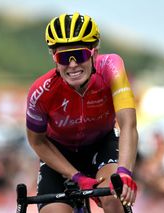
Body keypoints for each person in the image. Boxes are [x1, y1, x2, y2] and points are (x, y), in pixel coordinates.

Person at [26, 12, 138, 213]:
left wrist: (124, 172)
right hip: (60, 153)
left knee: (113, 198)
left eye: (79, 55)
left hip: (101, 145)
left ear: (94, 53)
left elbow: (128, 124)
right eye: (63, 57)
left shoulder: (112, 67)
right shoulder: (40, 91)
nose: (72, 65)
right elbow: (37, 141)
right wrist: (76, 176)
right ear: (54, 58)